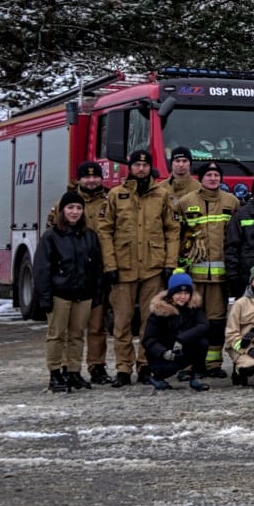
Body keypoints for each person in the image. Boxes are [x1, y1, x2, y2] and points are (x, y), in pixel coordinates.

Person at [100, 150, 179, 387]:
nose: (141, 169)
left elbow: (172, 230)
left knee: (150, 322)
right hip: (123, 268)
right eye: (136, 165)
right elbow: (105, 231)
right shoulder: (116, 195)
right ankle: (123, 368)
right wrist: (110, 265)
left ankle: (146, 365)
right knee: (122, 322)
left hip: (153, 268)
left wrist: (170, 264)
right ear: (130, 167)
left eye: (145, 165)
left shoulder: (163, 195)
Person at [35, 191, 103, 392]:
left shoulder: (90, 236)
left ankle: (73, 371)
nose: (74, 212)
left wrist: (96, 292)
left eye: (78, 208)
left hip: (83, 295)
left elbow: (96, 267)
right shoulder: (51, 237)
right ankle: (55, 373)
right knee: (56, 335)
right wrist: (45, 296)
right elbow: (42, 269)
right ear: (62, 211)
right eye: (70, 208)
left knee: (77, 335)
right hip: (60, 294)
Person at [176, 161, 238, 376]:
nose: (213, 178)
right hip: (192, 278)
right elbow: (177, 238)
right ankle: (188, 365)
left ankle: (212, 364)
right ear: (200, 178)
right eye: (209, 175)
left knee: (216, 322)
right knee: (189, 322)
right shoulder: (185, 203)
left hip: (219, 279)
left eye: (216, 175)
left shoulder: (232, 202)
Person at [56, 162, 115, 385]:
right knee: (70, 326)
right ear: (78, 180)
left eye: (95, 177)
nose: (91, 181)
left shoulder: (111, 201)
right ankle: (68, 367)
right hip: (72, 274)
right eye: (86, 177)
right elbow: (53, 236)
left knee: (97, 325)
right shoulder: (65, 202)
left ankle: (97, 366)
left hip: (99, 272)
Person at [141, 272, 210, 392]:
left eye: (186, 293)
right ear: (171, 293)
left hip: (182, 347)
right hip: (164, 353)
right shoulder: (159, 312)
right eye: (178, 293)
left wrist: (181, 339)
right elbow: (148, 340)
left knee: (202, 342)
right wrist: (164, 352)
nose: (183, 297)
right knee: (166, 368)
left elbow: (203, 325)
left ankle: (195, 376)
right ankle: (157, 377)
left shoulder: (194, 307)